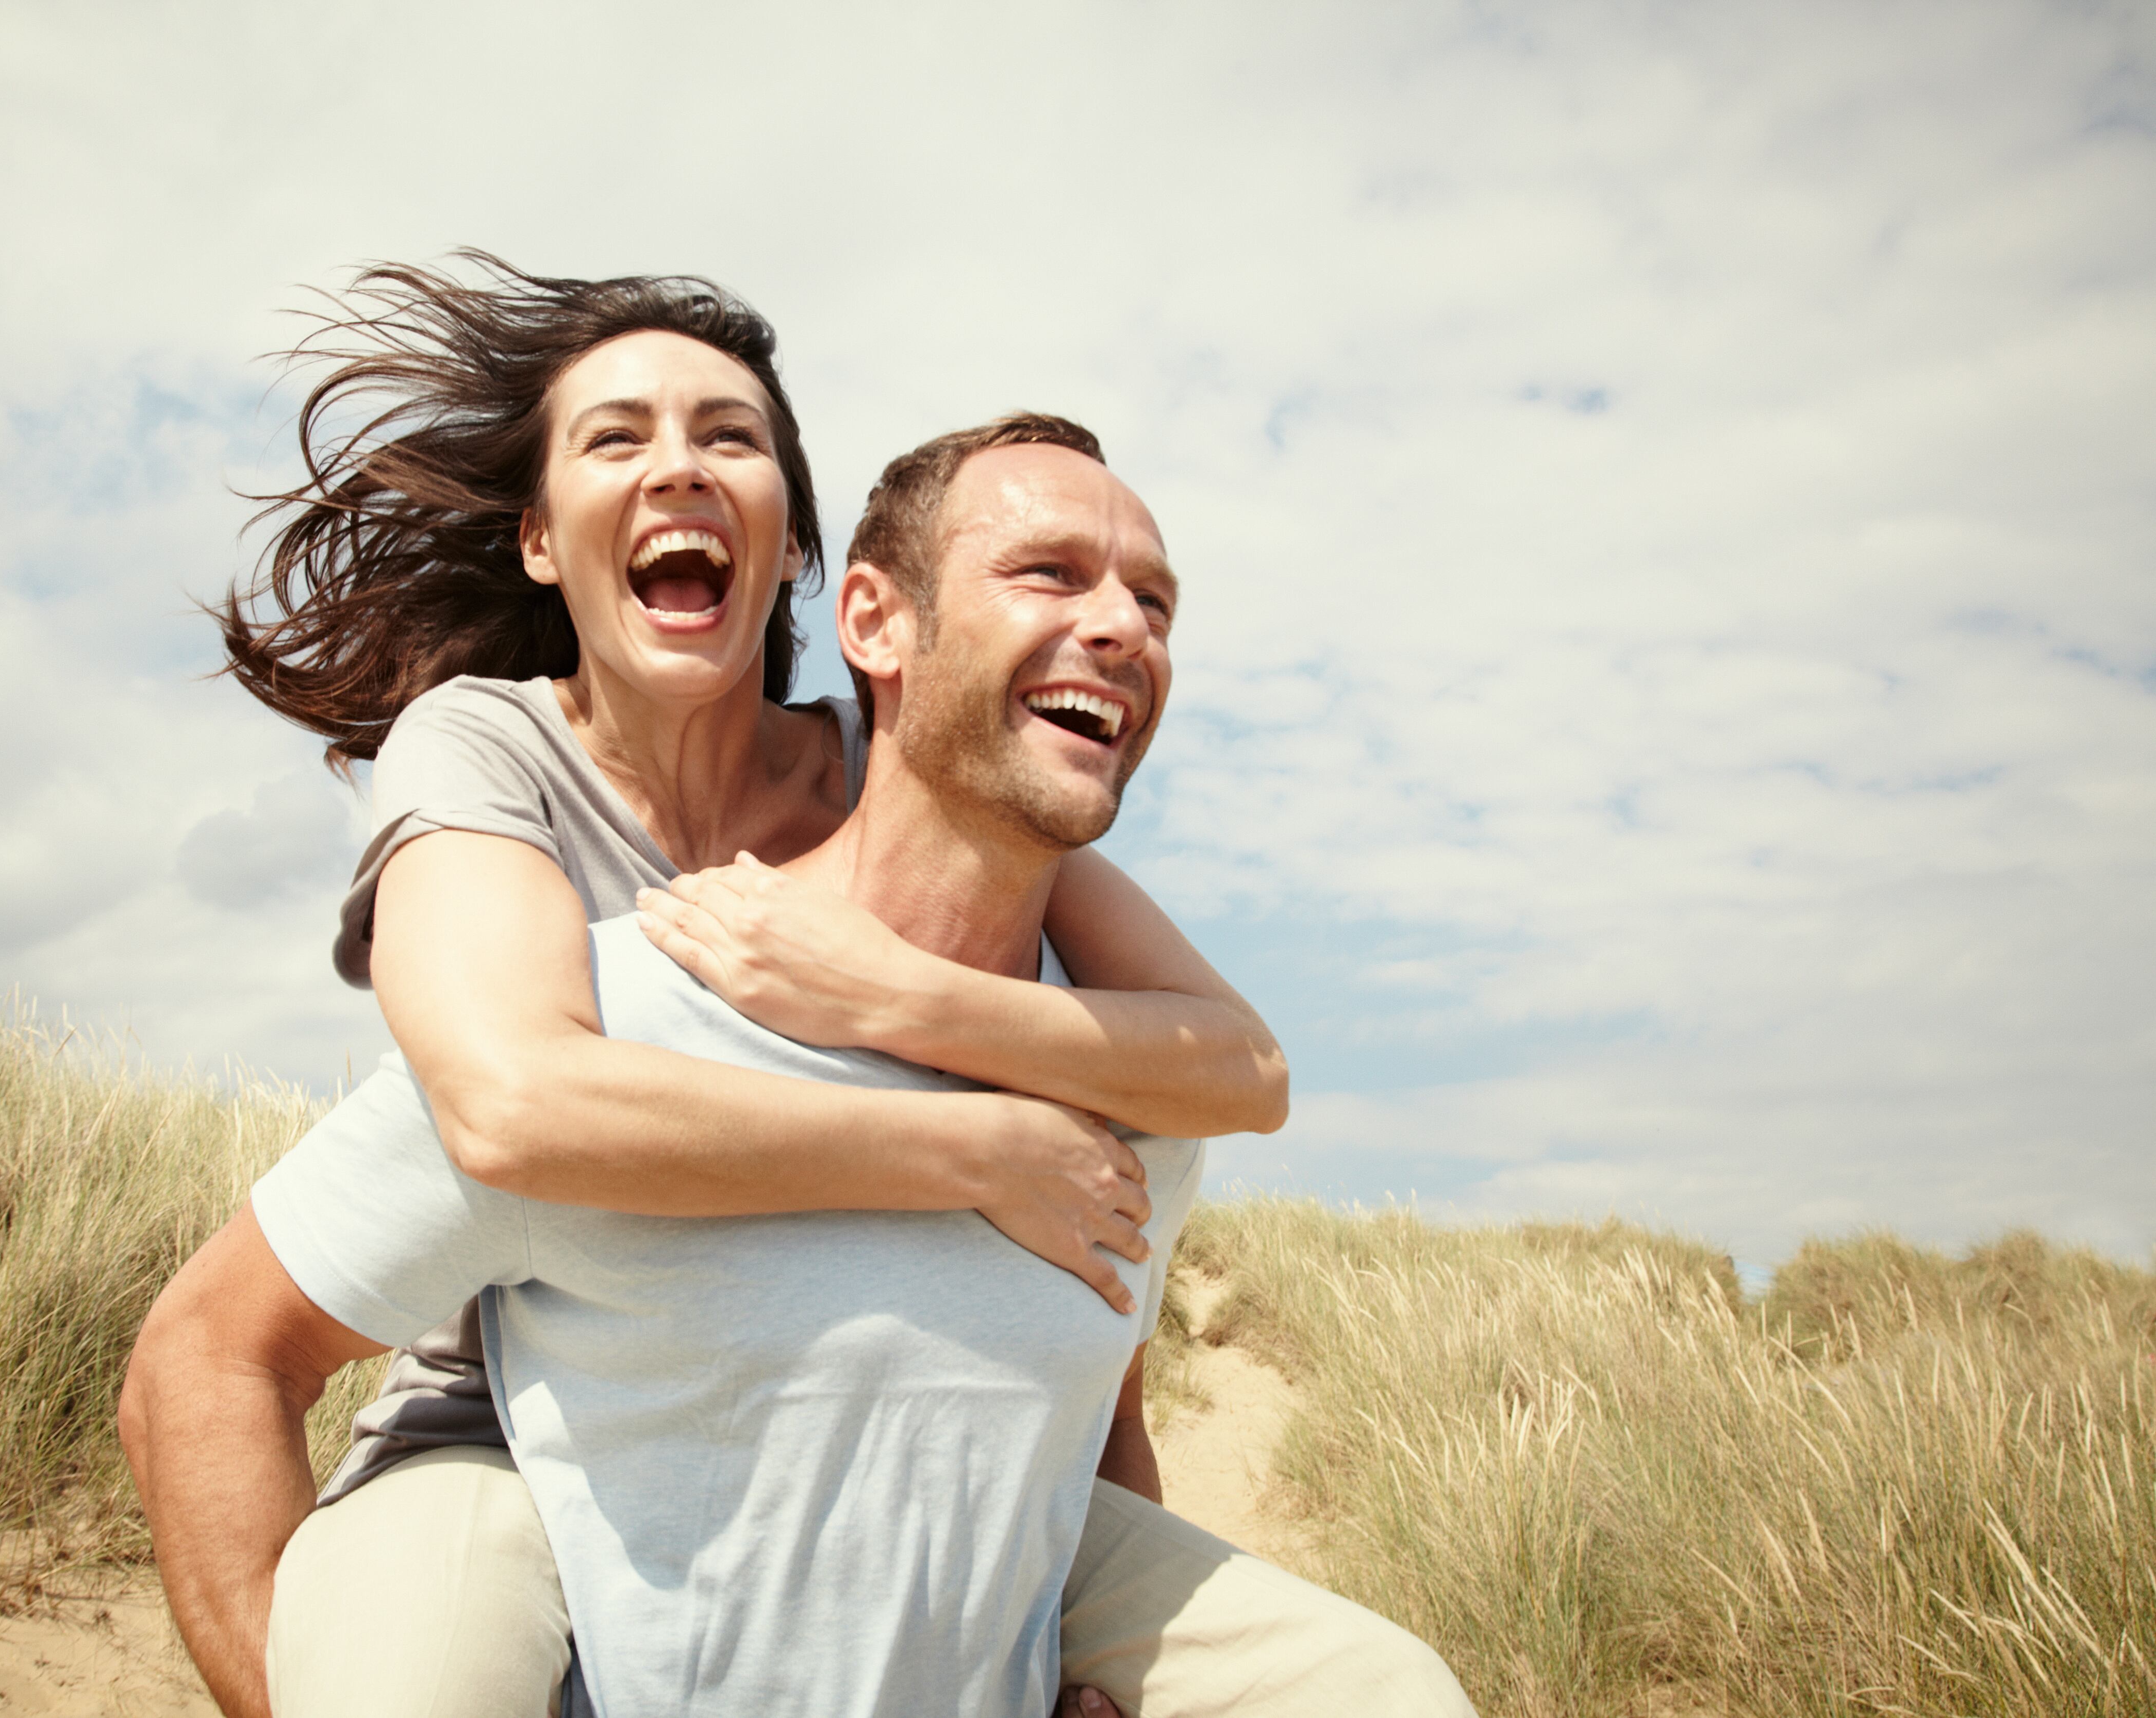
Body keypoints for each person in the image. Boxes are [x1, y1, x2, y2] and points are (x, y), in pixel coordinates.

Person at [126, 409, 1475, 1716]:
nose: (1123, 627)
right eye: (1049, 573)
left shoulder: (1138, 1090)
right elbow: (208, 1357)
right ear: (876, 623)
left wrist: (1090, 1668)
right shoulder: (617, 1019)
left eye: (1156, 603)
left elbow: (1086, 1413)